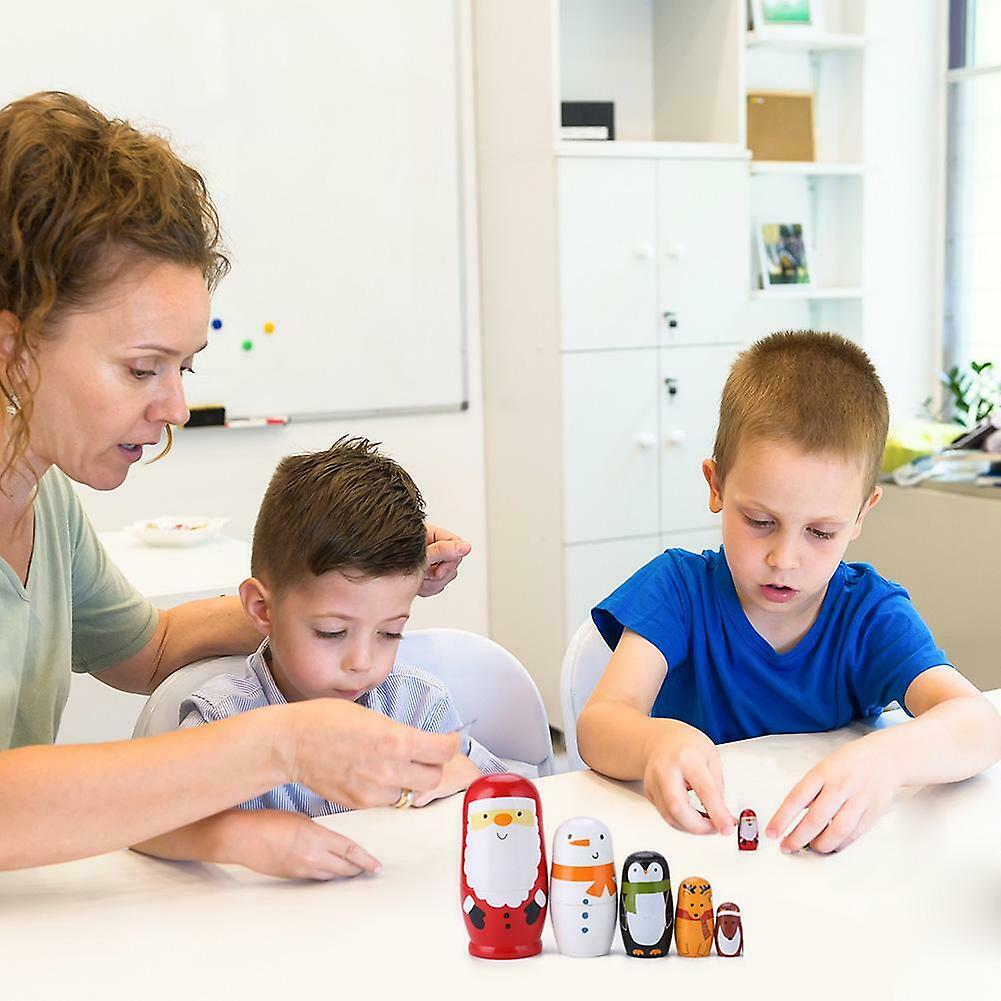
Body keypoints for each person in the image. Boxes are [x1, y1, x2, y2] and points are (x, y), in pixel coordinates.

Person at [0, 91, 471, 880]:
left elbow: (147, 650)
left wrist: (325, 593)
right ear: (13, 347)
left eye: (182, 368)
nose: (174, 406)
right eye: (142, 368)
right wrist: (277, 744)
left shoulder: (44, 502)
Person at [578, 331, 1001, 855]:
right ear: (715, 486)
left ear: (862, 514)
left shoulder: (868, 614)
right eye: (760, 521)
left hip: (826, 865)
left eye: (821, 533)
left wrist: (887, 759)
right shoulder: (679, 591)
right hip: (702, 856)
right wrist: (656, 742)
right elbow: (599, 724)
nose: (785, 559)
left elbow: (980, 724)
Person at [134, 437, 505, 862]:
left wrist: (466, 775)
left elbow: (518, 801)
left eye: (389, 634)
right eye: (331, 633)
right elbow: (150, 825)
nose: (362, 663)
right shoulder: (221, 717)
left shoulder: (418, 706)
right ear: (262, 609)